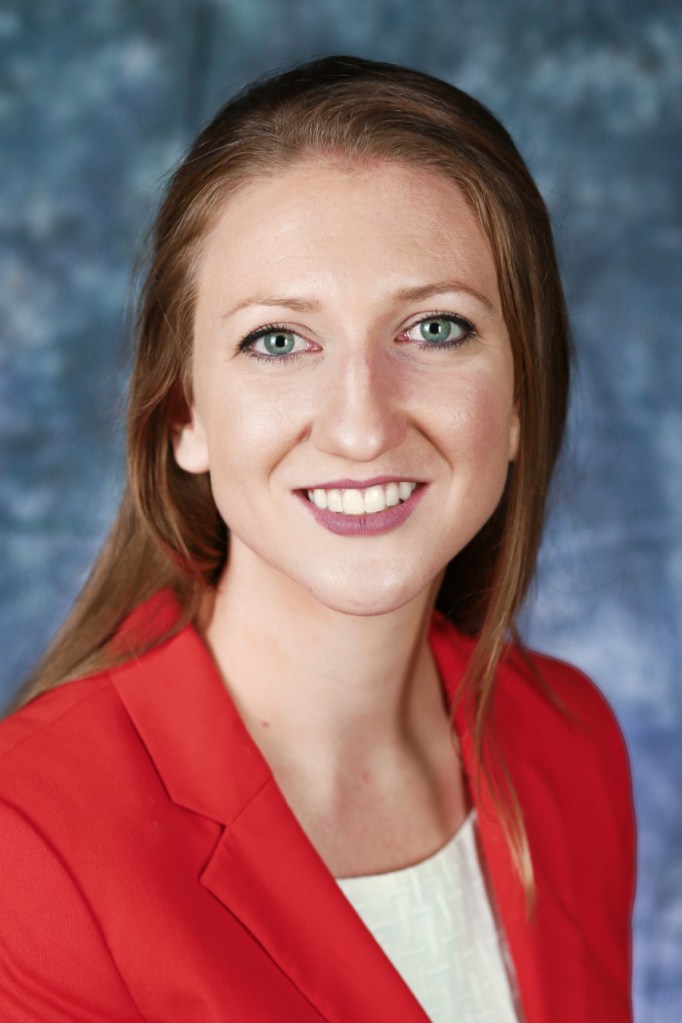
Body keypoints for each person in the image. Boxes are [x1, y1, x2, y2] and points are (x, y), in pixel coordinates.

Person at [0, 55, 635, 1022]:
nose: (360, 424)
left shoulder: (571, 739)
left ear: (517, 400)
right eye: (279, 340)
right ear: (185, 415)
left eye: (434, 328)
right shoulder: (30, 843)